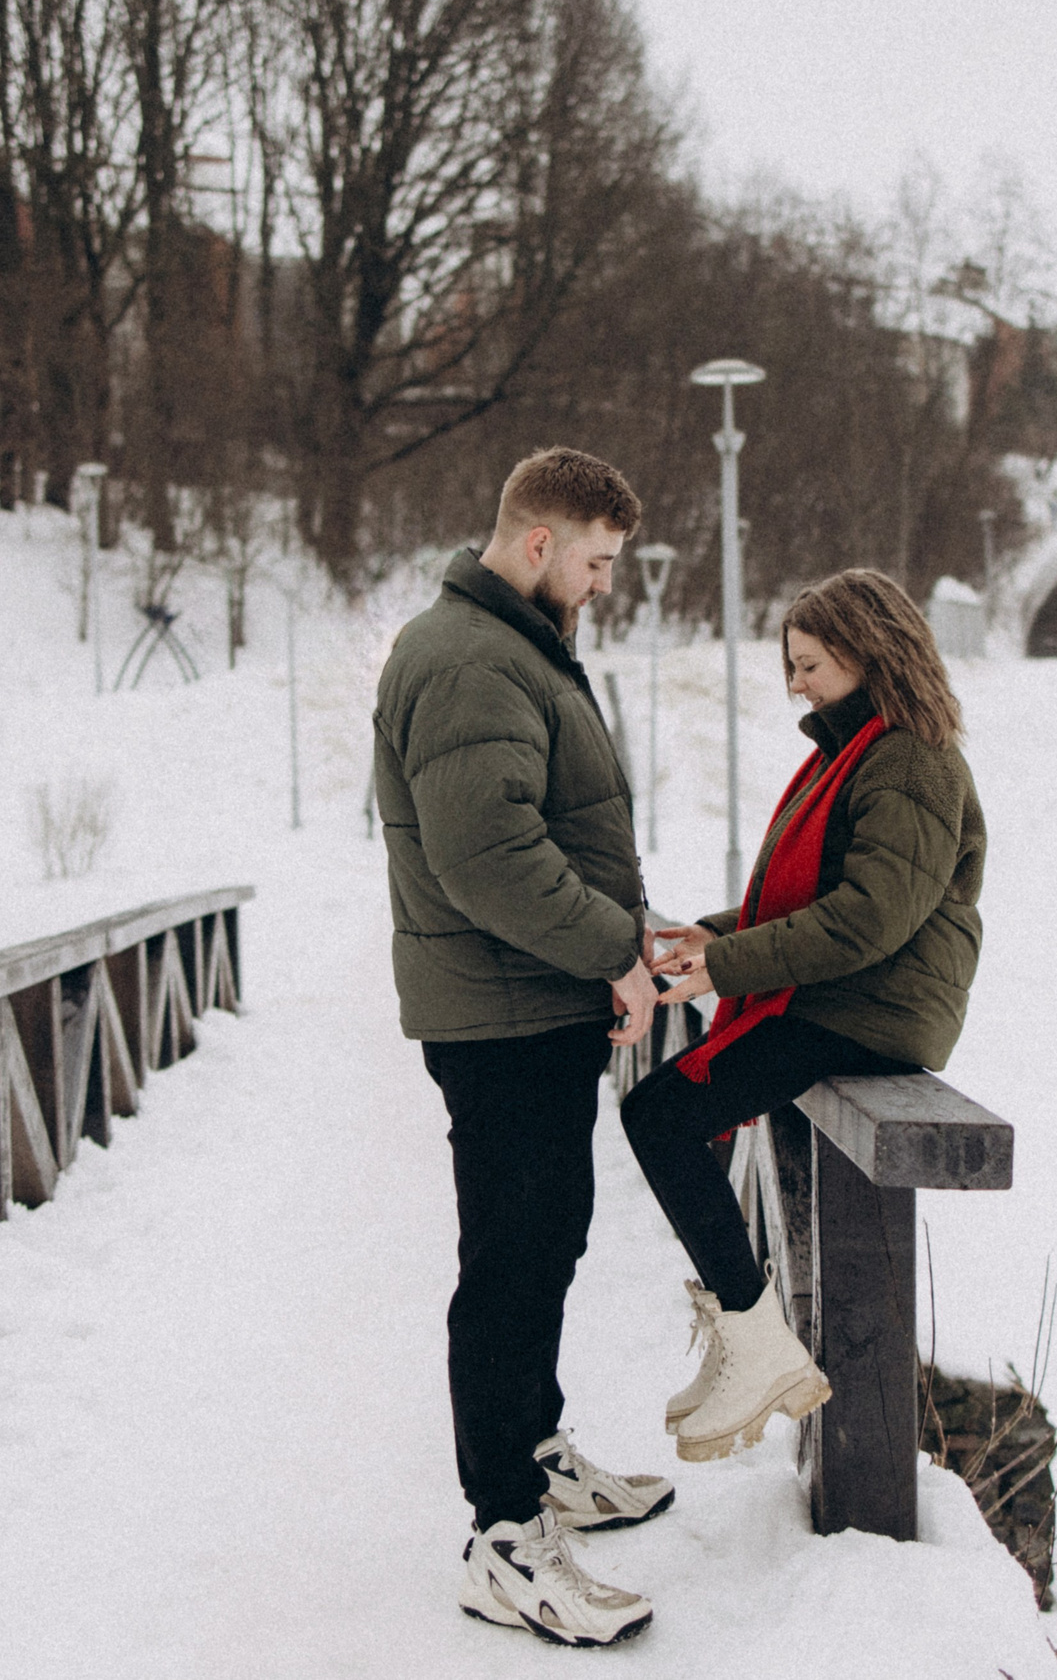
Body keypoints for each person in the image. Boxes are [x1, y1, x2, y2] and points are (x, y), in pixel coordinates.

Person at [372, 446, 672, 1648]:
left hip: (528, 1003)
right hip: (502, 1012)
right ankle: (502, 1535)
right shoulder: (468, 661)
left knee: (545, 1236)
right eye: (597, 562)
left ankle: (535, 1457)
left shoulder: (508, 650)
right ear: (538, 543)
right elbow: (487, 856)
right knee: (511, 1256)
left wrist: (622, 936)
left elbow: (542, 826)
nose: (603, 585)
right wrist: (613, 947)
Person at [628, 566, 985, 1464]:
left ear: (867, 652)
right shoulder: (854, 751)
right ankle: (747, 1333)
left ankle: (755, 1342)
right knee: (661, 1113)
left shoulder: (910, 756)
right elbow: (809, 898)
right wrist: (708, 935)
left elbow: (868, 917)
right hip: (844, 999)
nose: (794, 683)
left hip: (871, 1008)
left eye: (809, 663)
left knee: (659, 1112)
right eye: (791, 664)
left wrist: (726, 963)